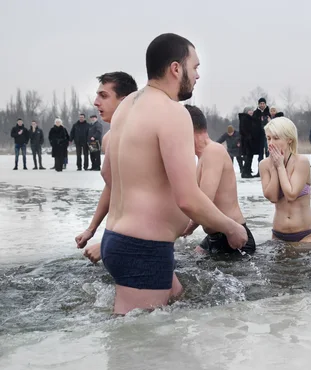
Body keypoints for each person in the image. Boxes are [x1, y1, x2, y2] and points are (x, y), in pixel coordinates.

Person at [96, 33, 247, 314]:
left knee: (180, 299)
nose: (198, 75)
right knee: (142, 347)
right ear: (176, 68)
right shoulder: (172, 112)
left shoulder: (127, 106)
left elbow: (108, 174)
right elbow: (187, 198)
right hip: (142, 247)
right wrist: (231, 227)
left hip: (119, 239)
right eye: (195, 67)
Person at [75, 71, 139, 263]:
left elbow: (147, 201)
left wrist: (111, 245)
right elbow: (113, 187)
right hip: (120, 234)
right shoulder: (109, 138)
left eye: (103, 95)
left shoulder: (140, 136)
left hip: (141, 240)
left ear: (125, 100)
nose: (95, 102)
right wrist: (91, 229)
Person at [180, 106, 256, 254]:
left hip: (234, 238)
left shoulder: (213, 151)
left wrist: (185, 228)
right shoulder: (202, 157)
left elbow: (203, 202)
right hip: (215, 236)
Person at [259, 117, 311, 243]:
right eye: (268, 138)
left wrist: (280, 166)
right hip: (278, 235)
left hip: (305, 235)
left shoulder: (301, 162)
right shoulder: (264, 165)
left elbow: (291, 194)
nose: (270, 143)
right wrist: (275, 167)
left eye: (276, 138)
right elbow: (273, 197)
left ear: (289, 139)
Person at [253, 97, 271, 172]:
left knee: (268, 152)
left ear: (265, 104)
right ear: (258, 104)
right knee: (260, 154)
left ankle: (269, 170)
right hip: (259, 135)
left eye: (263, 103)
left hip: (267, 135)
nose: (262, 105)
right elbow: (253, 123)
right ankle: (260, 171)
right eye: (261, 103)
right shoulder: (256, 113)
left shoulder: (268, 112)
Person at [238, 107, 256, 178]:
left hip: (248, 140)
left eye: (251, 111)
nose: (251, 112)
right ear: (246, 112)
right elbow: (243, 130)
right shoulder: (245, 118)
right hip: (246, 141)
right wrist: (249, 136)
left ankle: (247, 171)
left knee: (249, 157)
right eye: (249, 111)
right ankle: (245, 172)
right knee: (248, 157)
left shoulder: (249, 118)